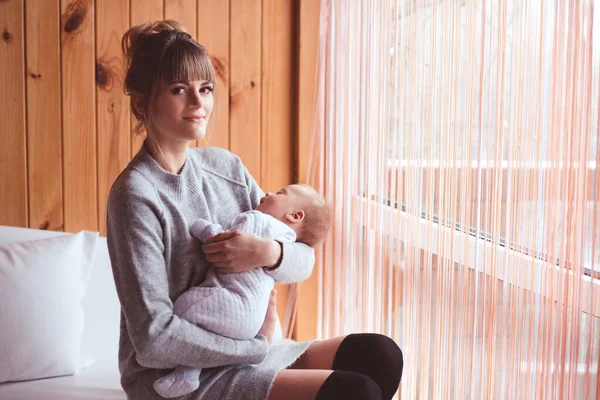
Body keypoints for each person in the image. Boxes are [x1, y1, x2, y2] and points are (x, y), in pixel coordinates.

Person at [106, 20, 404, 400]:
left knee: (380, 353)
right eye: (179, 89)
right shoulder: (135, 195)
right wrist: (256, 345)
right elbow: (153, 339)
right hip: (177, 377)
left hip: (246, 348)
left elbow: (303, 259)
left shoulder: (226, 168)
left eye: (206, 88)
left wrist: (269, 253)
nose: (199, 103)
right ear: (142, 101)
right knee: (354, 391)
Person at [153, 184, 331, 398]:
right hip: (253, 328)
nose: (268, 192)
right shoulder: (287, 236)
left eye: (280, 193)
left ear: (295, 215)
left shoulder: (257, 217)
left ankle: (187, 373)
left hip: (234, 310)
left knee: (185, 310)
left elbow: (223, 239)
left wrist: (267, 252)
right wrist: (258, 346)